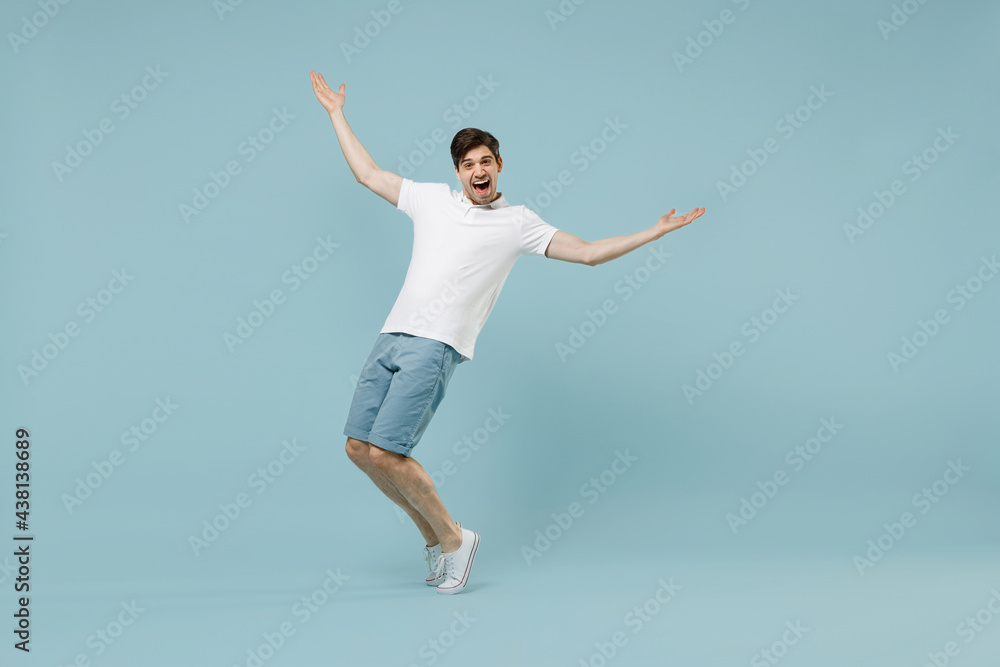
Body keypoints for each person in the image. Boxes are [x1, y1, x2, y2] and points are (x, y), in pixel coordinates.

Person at [309, 70, 705, 595]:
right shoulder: (431, 201)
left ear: (498, 168)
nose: (478, 170)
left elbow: (586, 252)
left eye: (486, 162)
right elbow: (368, 173)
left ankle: (454, 538)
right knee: (359, 449)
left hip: (436, 346)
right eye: (468, 164)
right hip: (392, 336)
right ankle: (434, 538)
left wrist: (653, 231)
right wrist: (337, 112)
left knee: (387, 452)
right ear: (458, 173)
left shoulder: (518, 223)